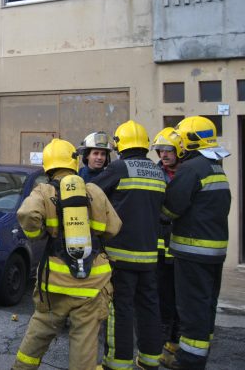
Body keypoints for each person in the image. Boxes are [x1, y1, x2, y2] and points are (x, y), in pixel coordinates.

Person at [13, 138, 121, 370]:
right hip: (93, 282)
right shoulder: (94, 191)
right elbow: (114, 227)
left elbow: (27, 213)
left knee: (40, 331)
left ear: (48, 165)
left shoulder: (44, 191)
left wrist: (39, 233)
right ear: (75, 162)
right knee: (85, 341)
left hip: (56, 283)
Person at [92, 120, 166, 370]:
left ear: (120, 144)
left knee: (119, 308)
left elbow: (93, 194)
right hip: (149, 255)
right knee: (149, 307)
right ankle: (150, 359)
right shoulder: (158, 171)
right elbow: (165, 212)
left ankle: (117, 363)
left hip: (120, 256)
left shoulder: (119, 168)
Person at [161, 116, 231, 370]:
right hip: (214, 253)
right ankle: (199, 356)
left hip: (192, 254)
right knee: (205, 308)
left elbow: (171, 208)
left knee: (191, 311)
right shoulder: (215, 166)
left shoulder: (191, 169)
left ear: (190, 140)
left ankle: (189, 362)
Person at [151, 127, 182, 359]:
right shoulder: (154, 172)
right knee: (162, 293)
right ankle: (162, 335)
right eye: (161, 150)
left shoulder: (188, 173)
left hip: (182, 247)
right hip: (160, 248)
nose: (164, 154)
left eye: (169, 150)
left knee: (181, 295)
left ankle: (177, 336)